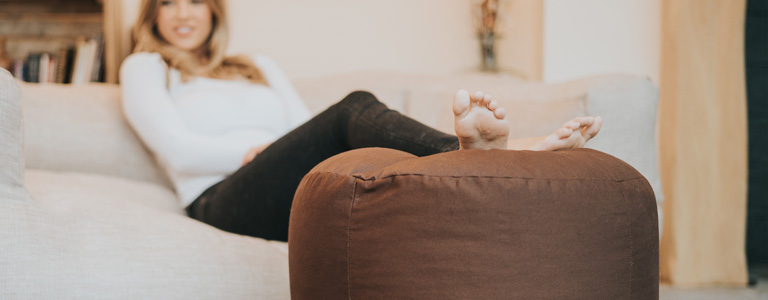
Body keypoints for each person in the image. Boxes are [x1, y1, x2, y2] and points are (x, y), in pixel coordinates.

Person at [121, 0, 602, 242]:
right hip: (219, 199)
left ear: (213, 10)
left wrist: (276, 152)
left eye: (194, 0)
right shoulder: (146, 66)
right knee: (352, 110)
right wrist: (253, 152)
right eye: (167, 1)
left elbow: (301, 128)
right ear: (152, 13)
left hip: (280, 183)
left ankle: (475, 165)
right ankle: (479, 153)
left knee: (367, 164)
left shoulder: (256, 65)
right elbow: (175, 147)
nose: (182, 14)